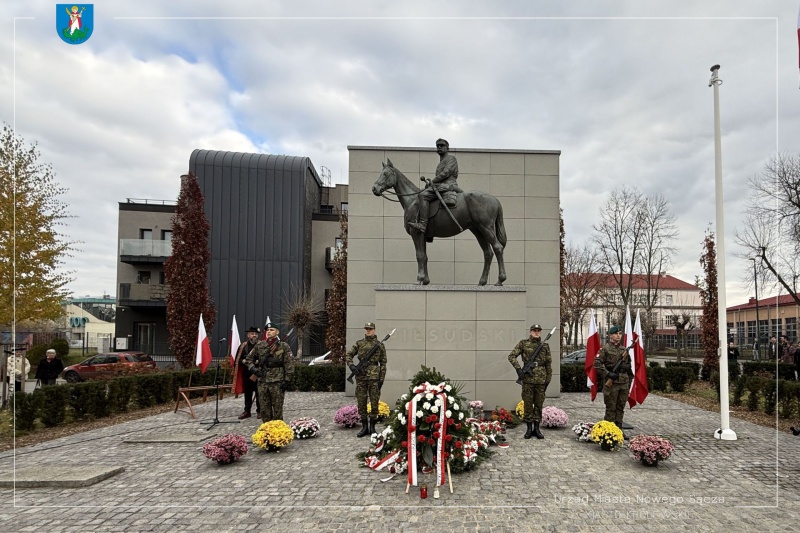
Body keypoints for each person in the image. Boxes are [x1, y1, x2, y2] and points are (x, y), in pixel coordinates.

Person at [507, 324, 552, 440]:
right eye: (534, 330)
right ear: (530, 332)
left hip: (541, 379)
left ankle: (537, 429)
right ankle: (528, 428)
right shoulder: (523, 343)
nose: (536, 332)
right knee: (527, 404)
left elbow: (548, 363)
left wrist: (548, 378)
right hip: (527, 379)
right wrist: (518, 369)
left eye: (538, 331)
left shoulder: (545, 346)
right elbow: (511, 356)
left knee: (539, 404)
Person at [408, 138, 460, 233]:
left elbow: (446, 173)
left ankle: (422, 224)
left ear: (447, 148)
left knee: (422, 196)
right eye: (438, 146)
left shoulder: (451, 158)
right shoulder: (441, 162)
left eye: (442, 146)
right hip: (440, 185)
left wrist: (432, 181)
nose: (439, 147)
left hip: (448, 185)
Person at [245, 322, 294, 422]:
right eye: (267, 330)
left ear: (277, 332)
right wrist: (253, 369)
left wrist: (287, 380)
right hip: (262, 381)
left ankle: (278, 432)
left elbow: (289, 364)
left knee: (277, 409)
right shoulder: (260, 345)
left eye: (271, 330)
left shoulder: (284, 346)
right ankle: (267, 430)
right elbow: (248, 359)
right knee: (264, 409)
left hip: (277, 381)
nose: (269, 332)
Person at [346, 322, 387, 438]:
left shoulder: (379, 345)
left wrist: (381, 378)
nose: (368, 331)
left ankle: (372, 427)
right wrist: (352, 366)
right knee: (361, 403)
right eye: (367, 329)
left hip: (374, 377)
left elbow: (383, 363)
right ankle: (364, 427)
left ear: (374, 330)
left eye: (370, 329)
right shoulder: (359, 344)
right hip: (361, 377)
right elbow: (348, 355)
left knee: (374, 402)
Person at [594, 325, 632, 439]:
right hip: (612, 384)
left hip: (623, 383)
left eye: (620, 333)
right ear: (610, 335)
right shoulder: (605, 349)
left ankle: (619, 429)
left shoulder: (624, 350)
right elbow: (597, 364)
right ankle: (608, 431)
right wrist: (607, 374)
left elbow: (629, 365)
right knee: (611, 408)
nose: (618, 335)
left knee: (620, 407)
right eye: (616, 333)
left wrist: (626, 367)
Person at [234, 326, 262, 419]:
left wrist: (258, 362)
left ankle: (260, 411)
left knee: (259, 393)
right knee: (248, 393)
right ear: (248, 335)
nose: (254, 335)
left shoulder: (262, 345)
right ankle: (247, 411)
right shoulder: (243, 346)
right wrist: (243, 361)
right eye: (252, 334)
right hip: (247, 373)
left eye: (255, 334)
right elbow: (238, 359)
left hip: (258, 373)